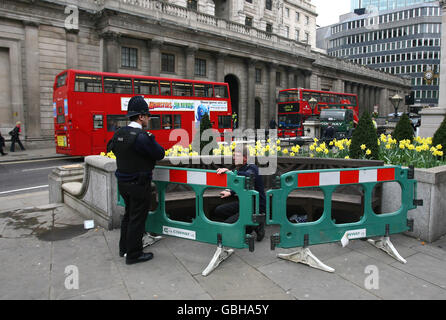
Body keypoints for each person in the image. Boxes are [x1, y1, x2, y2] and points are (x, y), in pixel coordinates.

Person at [107, 96, 165, 265]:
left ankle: (124, 248)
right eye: (147, 116)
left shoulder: (119, 133)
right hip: (138, 184)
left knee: (128, 216)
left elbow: (112, 149)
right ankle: (134, 254)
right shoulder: (141, 136)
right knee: (137, 219)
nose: (148, 119)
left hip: (123, 183)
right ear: (141, 116)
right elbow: (159, 153)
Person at [214, 145, 266, 241]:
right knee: (218, 210)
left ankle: (256, 225)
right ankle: (248, 225)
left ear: (245, 158)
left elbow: (249, 176)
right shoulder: (240, 168)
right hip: (245, 203)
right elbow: (242, 184)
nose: (234, 158)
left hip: (256, 207)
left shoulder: (252, 167)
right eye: (233, 156)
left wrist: (230, 172)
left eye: (236, 156)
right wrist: (231, 191)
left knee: (227, 226)